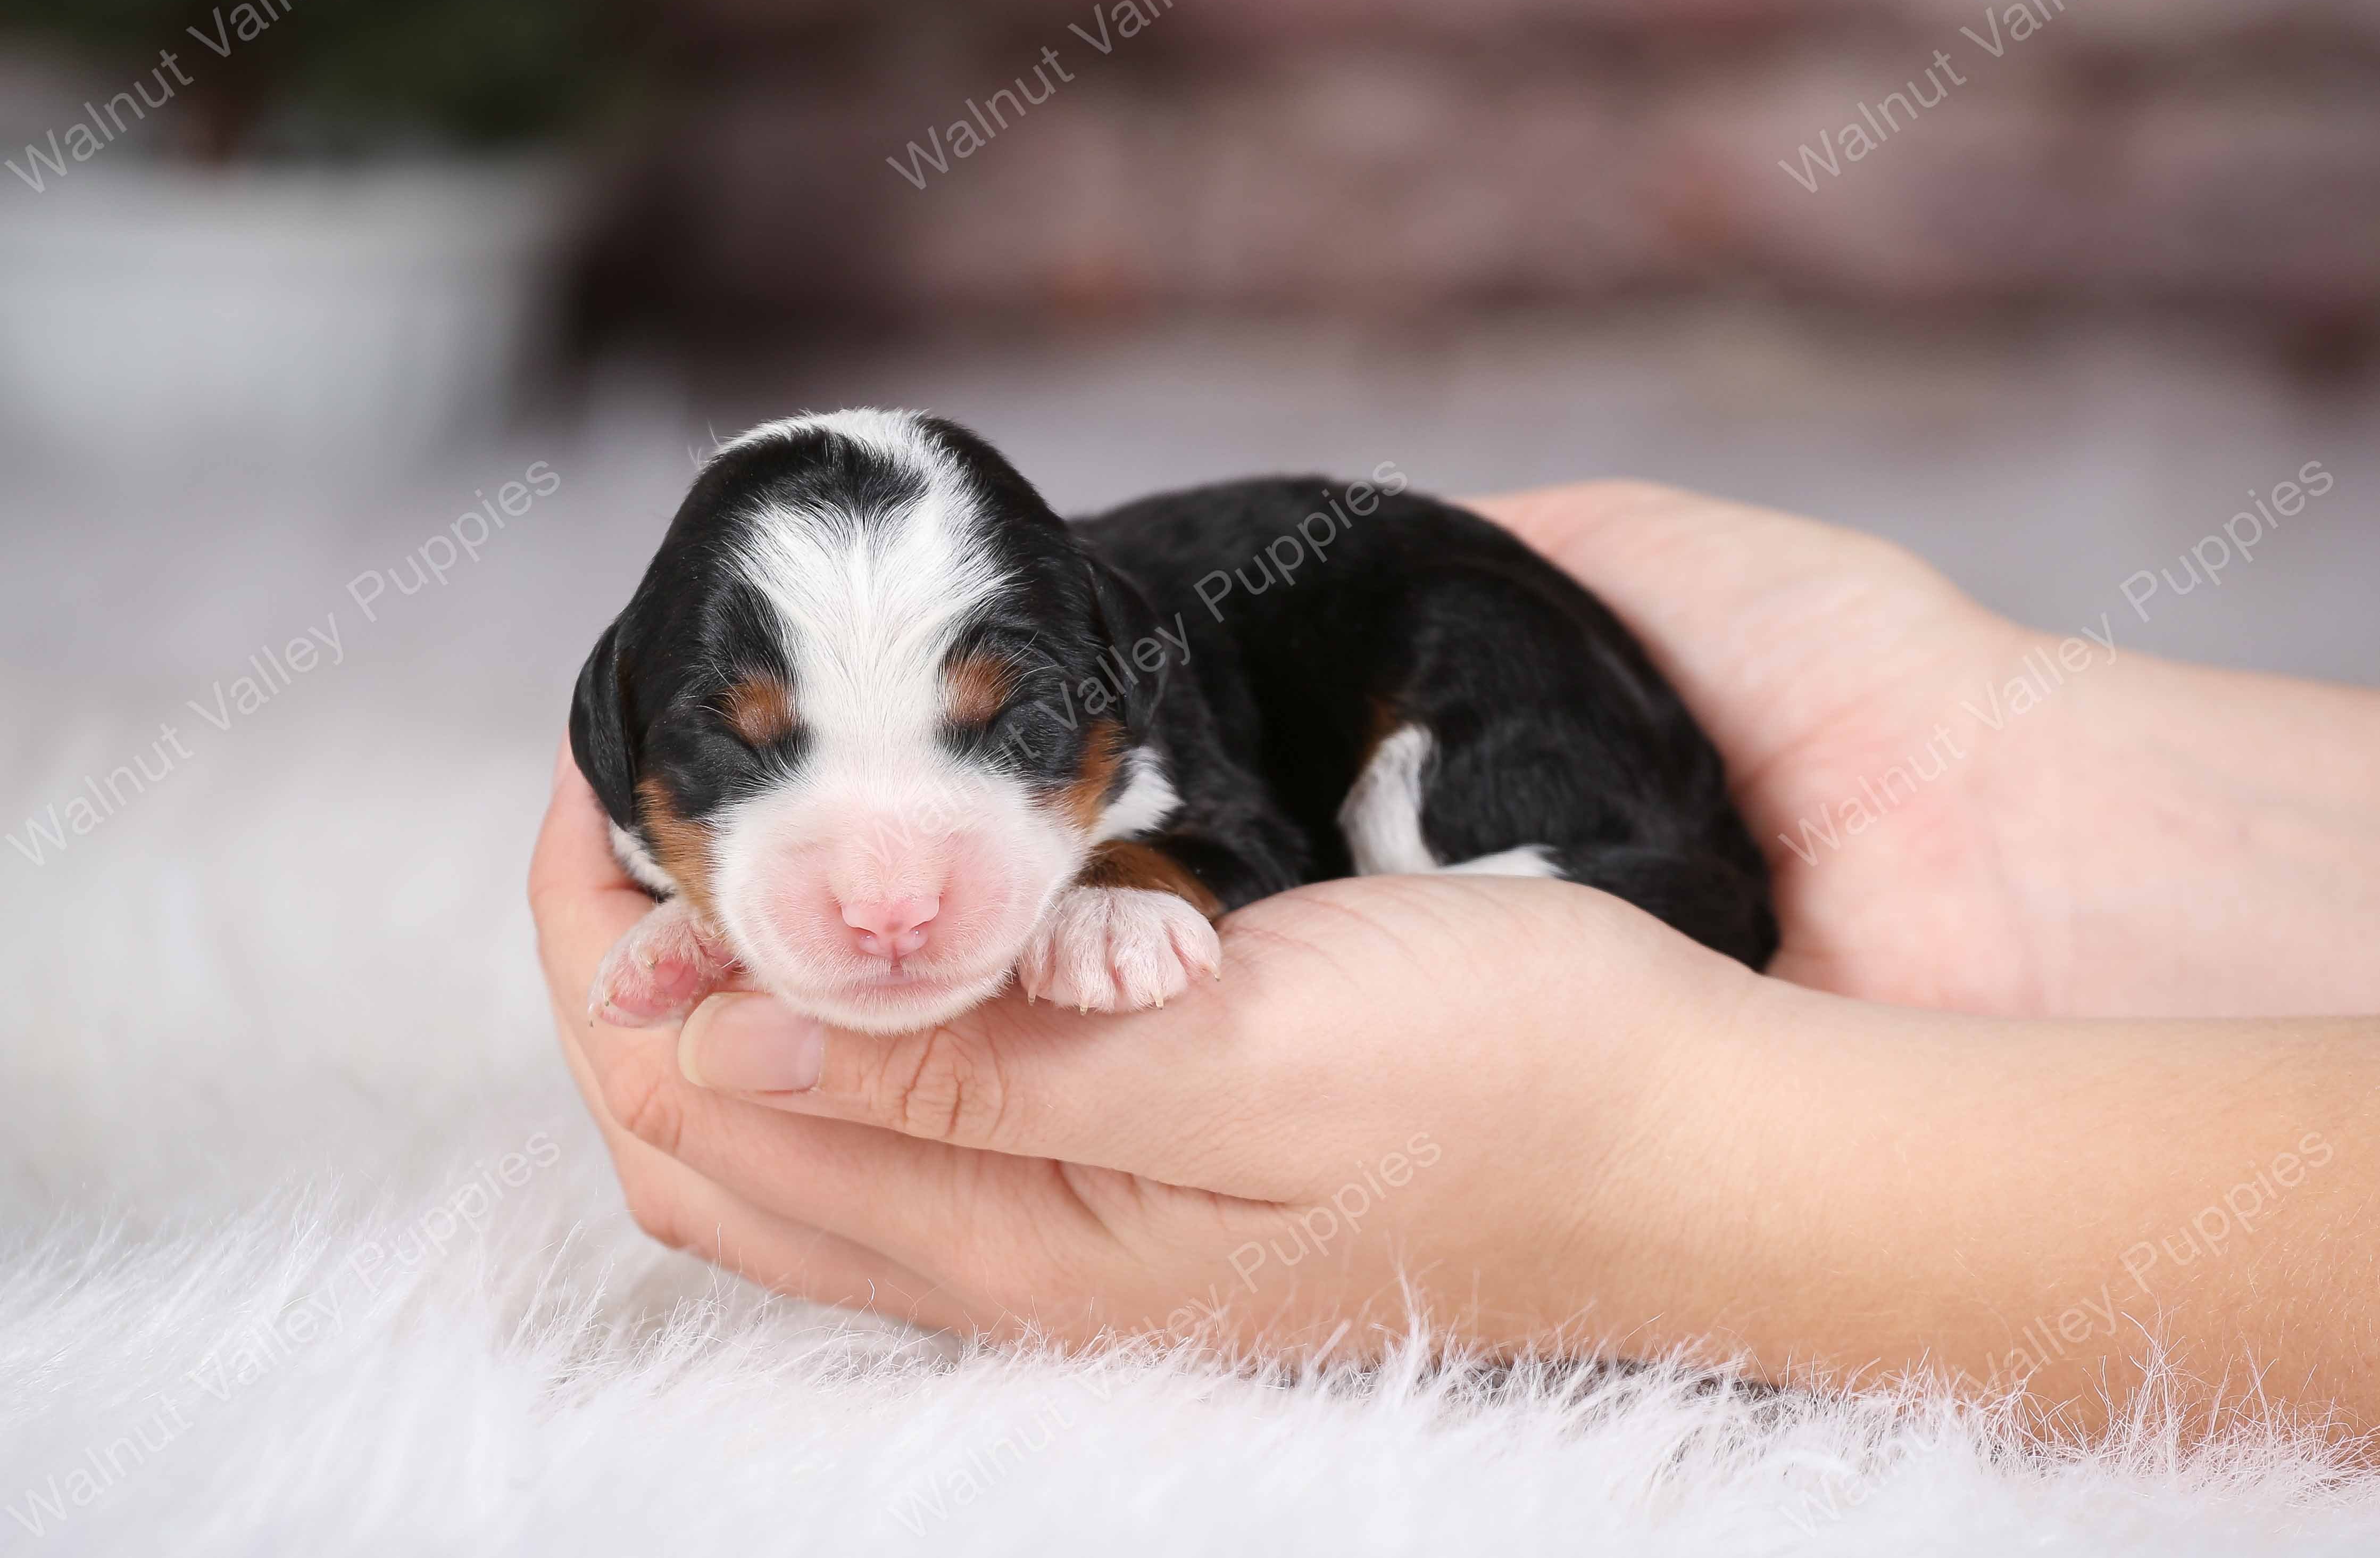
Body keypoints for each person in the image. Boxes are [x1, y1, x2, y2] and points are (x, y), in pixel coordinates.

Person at [528, 480, 2380, 1434]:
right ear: (627, 731)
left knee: (1422, 712)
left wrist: (1659, 1142)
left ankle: (1558, 878)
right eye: (748, 761)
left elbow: (1231, 831)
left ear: (1105, 686)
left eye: (998, 736)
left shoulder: (1150, 701)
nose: (881, 890)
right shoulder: (819, 708)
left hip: (1464, 693)